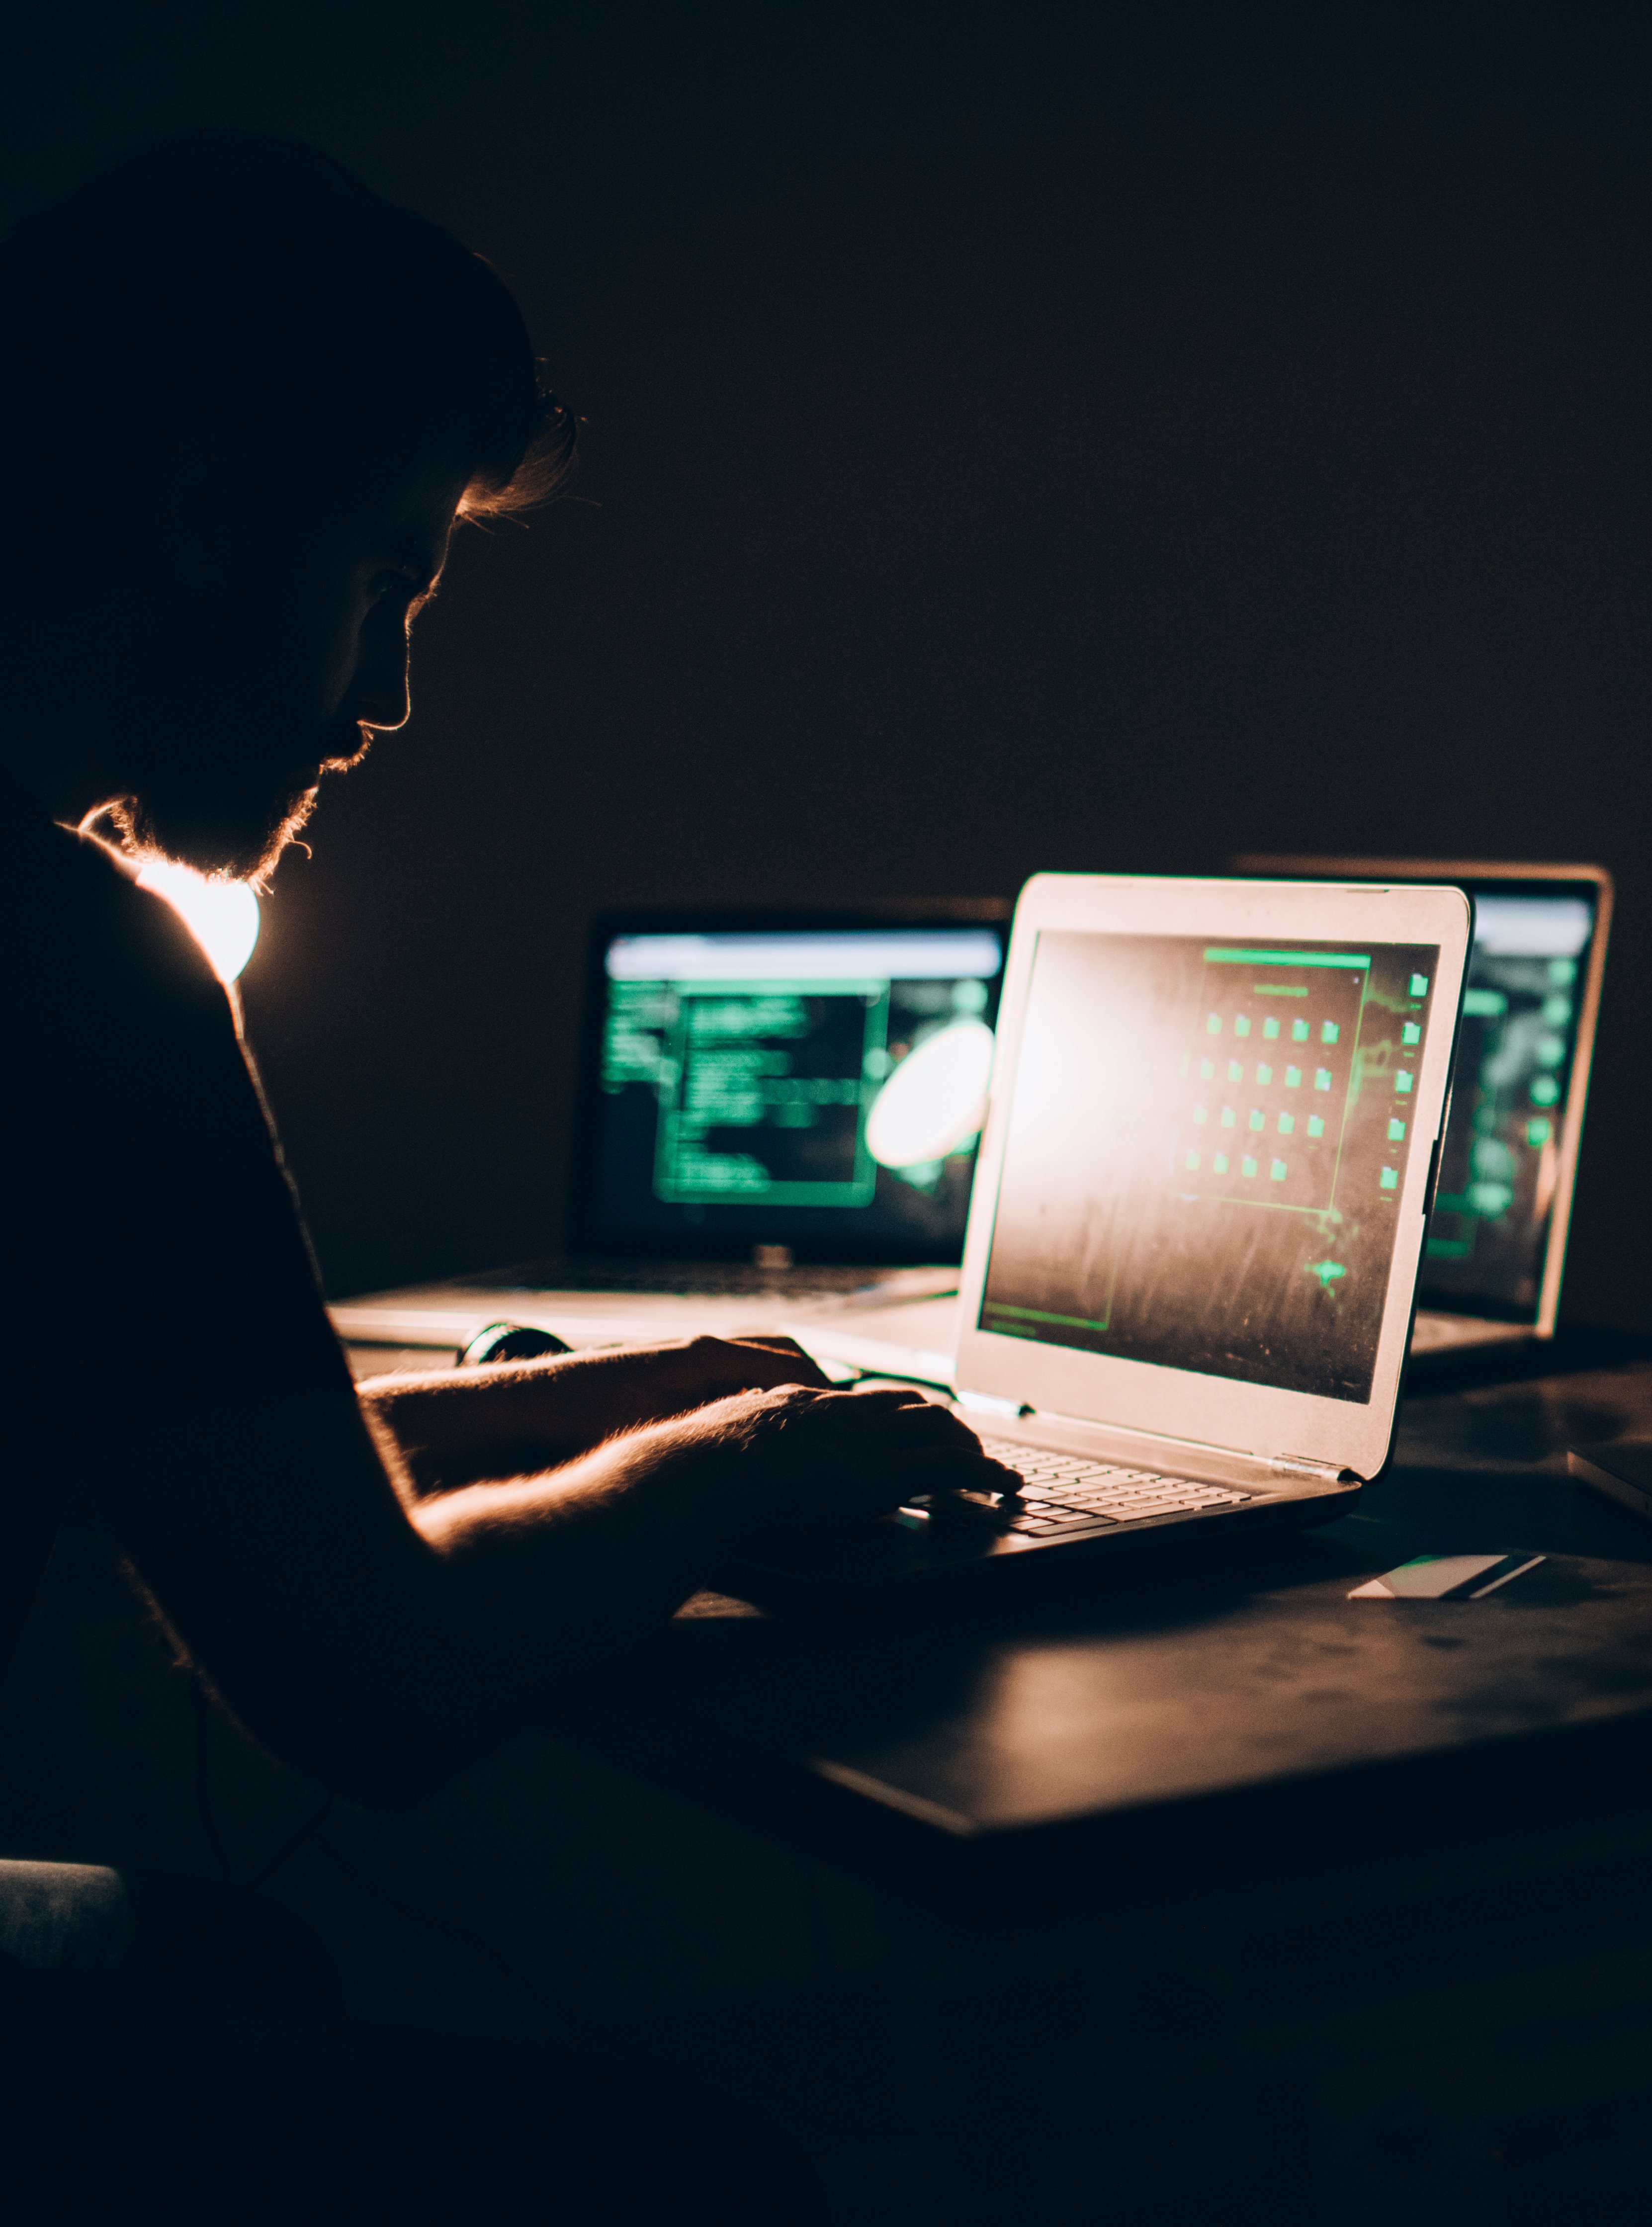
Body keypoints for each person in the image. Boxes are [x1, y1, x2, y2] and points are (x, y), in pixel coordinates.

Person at [0, 135, 1007, 2213]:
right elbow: (372, 1677)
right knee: (718, 2161)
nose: (380, 698)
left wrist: (625, 1401)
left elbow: (171, 1461)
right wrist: (736, 1479)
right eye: (381, 578)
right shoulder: (69, 964)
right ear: (201, 520)